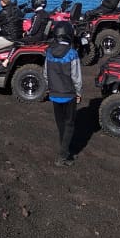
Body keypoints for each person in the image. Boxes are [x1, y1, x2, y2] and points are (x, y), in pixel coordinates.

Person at [42, 21, 82, 167]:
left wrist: (48, 88)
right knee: (69, 124)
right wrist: (78, 92)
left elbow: (45, 73)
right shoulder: (72, 54)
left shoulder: (49, 52)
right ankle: (63, 156)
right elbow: (76, 77)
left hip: (54, 93)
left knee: (60, 124)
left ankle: (64, 149)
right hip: (69, 93)